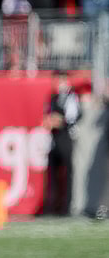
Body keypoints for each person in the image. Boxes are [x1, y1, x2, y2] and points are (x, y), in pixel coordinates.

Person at [41, 71, 82, 216]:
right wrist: (51, 121)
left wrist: (56, 120)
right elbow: (46, 119)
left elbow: (71, 118)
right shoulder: (53, 97)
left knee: (68, 175)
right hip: (54, 140)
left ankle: (67, 207)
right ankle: (51, 206)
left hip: (66, 139)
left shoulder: (72, 97)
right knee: (52, 175)